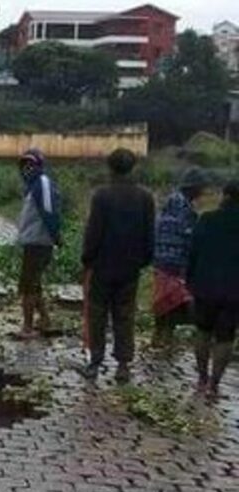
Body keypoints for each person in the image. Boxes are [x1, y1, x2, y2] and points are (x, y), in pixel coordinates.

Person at [79, 149, 156, 383]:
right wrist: (143, 260)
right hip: (130, 266)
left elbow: (94, 231)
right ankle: (123, 364)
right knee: (125, 315)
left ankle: (95, 361)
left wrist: (87, 258)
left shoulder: (102, 196)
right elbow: (149, 234)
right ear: (133, 167)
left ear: (110, 167)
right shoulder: (145, 197)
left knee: (97, 314)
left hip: (103, 265)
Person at [188, 180, 239, 398]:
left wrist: (190, 280)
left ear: (224, 196)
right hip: (234, 290)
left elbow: (193, 252)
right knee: (226, 337)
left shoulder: (206, 219)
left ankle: (202, 378)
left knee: (203, 330)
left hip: (205, 285)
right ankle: (214, 384)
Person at [152, 168, 210, 345]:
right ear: (194, 188)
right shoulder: (184, 209)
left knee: (164, 299)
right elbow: (188, 236)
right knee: (175, 300)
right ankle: (166, 336)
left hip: (161, 259)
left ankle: (160, 336)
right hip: (175, 261)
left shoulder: (172, 203)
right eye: (201, 188)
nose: (202, 193)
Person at [16, 148, 61, 339]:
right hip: (32, 241)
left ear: (39, 165)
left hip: (40, 242)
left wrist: (55, 236)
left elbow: (49, 211)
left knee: (28, 286)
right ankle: (45, 320)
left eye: (31, 164)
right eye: (24, 164)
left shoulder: (42, 182)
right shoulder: (32, 185)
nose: (27, 168)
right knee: (35, 284)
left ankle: (27, 328)